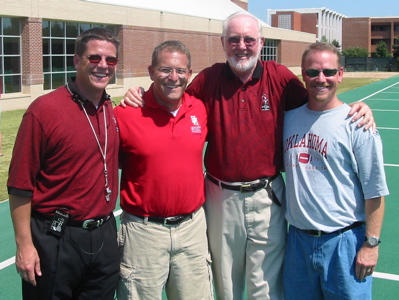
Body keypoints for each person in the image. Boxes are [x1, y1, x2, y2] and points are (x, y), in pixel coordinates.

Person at [122, 11, 375, 300]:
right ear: (223, 43)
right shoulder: (209, 78)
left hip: (268, 197)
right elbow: (172, 95)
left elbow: (320, 99)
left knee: (265, 289)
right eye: (234, 39)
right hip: (220, 197)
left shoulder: (277, 76)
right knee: (226, 284)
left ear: (261, 42)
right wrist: (139, 92)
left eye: (248, 39)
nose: (241, 46)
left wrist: (354, 109)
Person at [8, 27, 120, 300]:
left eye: (111, 60)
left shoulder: (111, 109)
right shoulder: (44, 110)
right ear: (76, 60)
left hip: (104, 234)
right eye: (94, 58)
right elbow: (20, 185)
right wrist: (24, 245)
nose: (103, 66)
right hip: (56, 237)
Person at [282, 42, 389, 299]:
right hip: (297, 243)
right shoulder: (286, 119)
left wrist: (371, 244)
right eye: (313, 72)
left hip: (344, 243)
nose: (321, 79)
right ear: (302, 74)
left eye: (329, 72)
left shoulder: (357, 124)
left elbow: (374, 191)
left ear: (340, 74)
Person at [115, 40, 213, 300]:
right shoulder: (125, 114)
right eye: (165, 70)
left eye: (180, 71)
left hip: (192, 229)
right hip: (143, 232)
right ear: (150, 72)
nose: (173, 77)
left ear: (189, 74)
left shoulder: (199, 109)